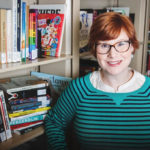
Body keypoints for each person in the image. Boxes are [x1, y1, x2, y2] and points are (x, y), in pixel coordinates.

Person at [44, 12, 150, 150]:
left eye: (121, 44)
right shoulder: (79, 88)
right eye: (104, 46)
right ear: (95, 49)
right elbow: (54, 123)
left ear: (132, 47)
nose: (112, 54)